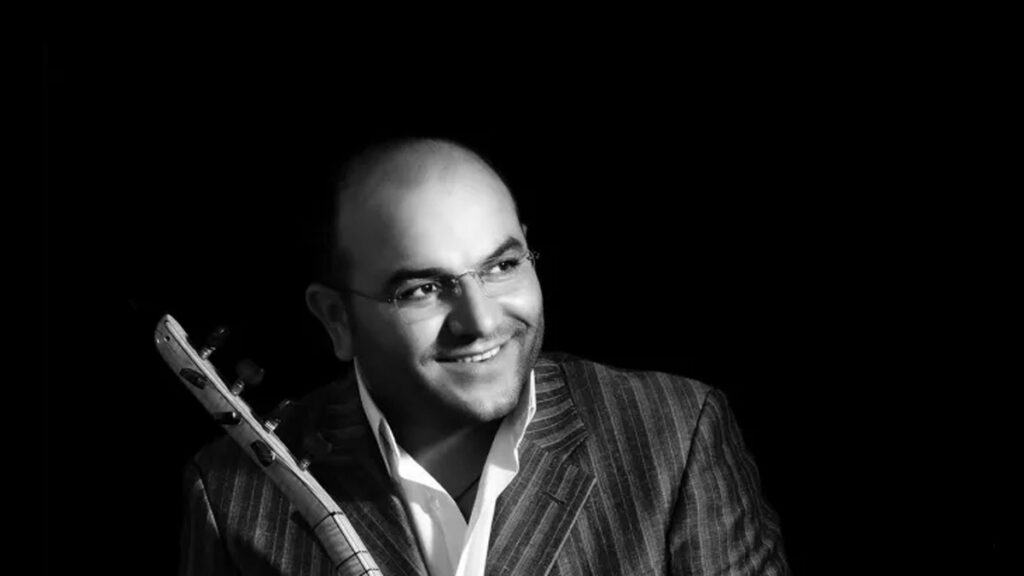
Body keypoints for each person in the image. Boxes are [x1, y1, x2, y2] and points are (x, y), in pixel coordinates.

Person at [179, 138, 789, 575]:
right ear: (337, 319)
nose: (483, 321)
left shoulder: (674, 435)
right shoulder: (230, 494)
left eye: (502, 266)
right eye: (423, 289)